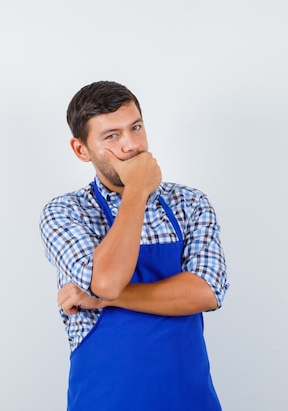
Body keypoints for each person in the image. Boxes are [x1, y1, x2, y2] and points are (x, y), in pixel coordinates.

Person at [39, 81, 229, 411]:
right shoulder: (65, 212)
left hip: (189, 401)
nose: (131, 145)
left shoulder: (190, 203)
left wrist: (101, 298)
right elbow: (108, 280)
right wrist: (137, 190)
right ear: (81, 149)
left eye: (136, 127)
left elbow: (207, 292)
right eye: (111, 136)